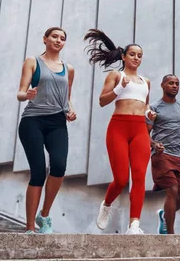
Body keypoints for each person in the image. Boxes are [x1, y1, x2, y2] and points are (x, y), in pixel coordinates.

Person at [84, 29, 154, 235]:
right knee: (122, 179)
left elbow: (145, 105)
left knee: (140, 176)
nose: (136, 58)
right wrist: (119, 88)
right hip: (119, 127)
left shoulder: (146, 81)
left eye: (140, 55)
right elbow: (102, 101)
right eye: (132, 54)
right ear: (123, 56)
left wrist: (150, 113)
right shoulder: (117, 75)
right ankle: (106, 205)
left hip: (140, 129)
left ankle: (134, 225)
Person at [16, 27, 76, 233]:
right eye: (54, 37)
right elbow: (20, 93)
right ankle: (30, 226)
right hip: (33, 121)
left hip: (57, 122)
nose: (58, 40)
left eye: (62, 38)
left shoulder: (68, 69)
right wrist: (28, 94)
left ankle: (45, 215)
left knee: (59, 166)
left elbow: (66, 98)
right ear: (45, 39)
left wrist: (70, 111)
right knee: (39, 171)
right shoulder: (32, 62)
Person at [147, 74, 180, 234]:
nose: (174, 86)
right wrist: (155, 144)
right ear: (162, 85)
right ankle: (170, 234)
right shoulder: (154, 108)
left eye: (177, 83)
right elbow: (144, 132)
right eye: (171, 83)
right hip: (161, 154)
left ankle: (165, 215)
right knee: (173, 189)